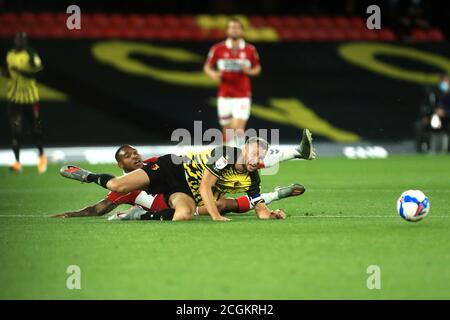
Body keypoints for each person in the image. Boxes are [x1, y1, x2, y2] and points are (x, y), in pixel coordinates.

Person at [60, 130, 315, 222]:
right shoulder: (224, 153)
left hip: (184, 188)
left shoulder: (252, 173)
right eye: (127, 156)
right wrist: (215, 217)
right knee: (117, 183)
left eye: (259, 158)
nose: (255, 160)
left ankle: (141, 216)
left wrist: (270, 214)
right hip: (172, 168)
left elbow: (258, 207)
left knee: (183, 215)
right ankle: (88, 176)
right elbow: (206, 186)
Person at [203, 17, 261, 147]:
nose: (234, 30)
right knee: (227, 129)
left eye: (237, 27)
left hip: (242, 95)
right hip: (224, 95)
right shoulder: (218, 49)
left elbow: (257, 68)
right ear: (227, 31)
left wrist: (249, 71)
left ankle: (236, 155)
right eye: (232, 27)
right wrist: (213, 74)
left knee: (238, 128)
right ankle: (228, 154)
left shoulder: (250, 49)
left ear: (242, 31)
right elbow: (207, 66)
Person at [4, 31, 47, 173]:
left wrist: (21, 72)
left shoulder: (31, 54)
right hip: (14, 98)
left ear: (26, 41)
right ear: (15, 40)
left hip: (30, 99)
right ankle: (17, 162)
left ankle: (41, 157)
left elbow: (39, 73)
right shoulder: (10, 55)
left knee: (35, 130)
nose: (20, 41)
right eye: (18, 39)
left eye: (22, 39)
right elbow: (9, 72)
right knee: (15, 130)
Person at [429, 74, 450, 153]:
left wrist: (445, 112)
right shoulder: (436, 94)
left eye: (446, 81)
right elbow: (431, 107)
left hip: (447, 118)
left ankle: (445, 149)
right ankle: (433, 149)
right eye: (442, 81)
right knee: (434, 122)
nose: (444, 83)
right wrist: (436, 112)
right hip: (438, 118)